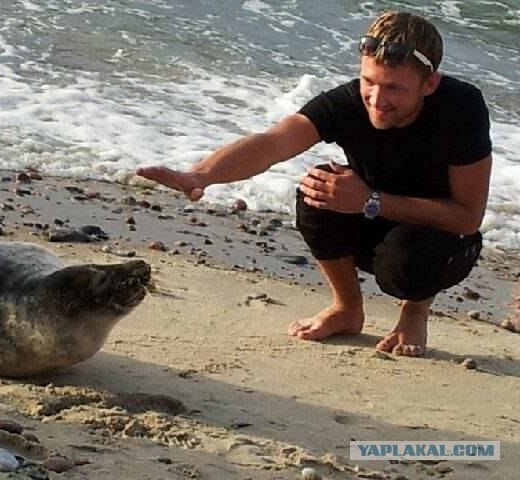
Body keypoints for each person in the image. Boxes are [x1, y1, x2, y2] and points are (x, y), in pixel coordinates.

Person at [136, 10, 492, 357]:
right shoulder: (351, 102)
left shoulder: (461, 109)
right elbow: (274, 142)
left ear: (429, 84)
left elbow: (467, 217)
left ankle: (414, 311)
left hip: (441, 238)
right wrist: (201, 175)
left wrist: (371, 200)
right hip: (373, 218)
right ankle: (347, 308)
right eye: (369, 82)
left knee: (406, 258)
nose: (377, 99)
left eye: (393, 88)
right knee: (318, 190)